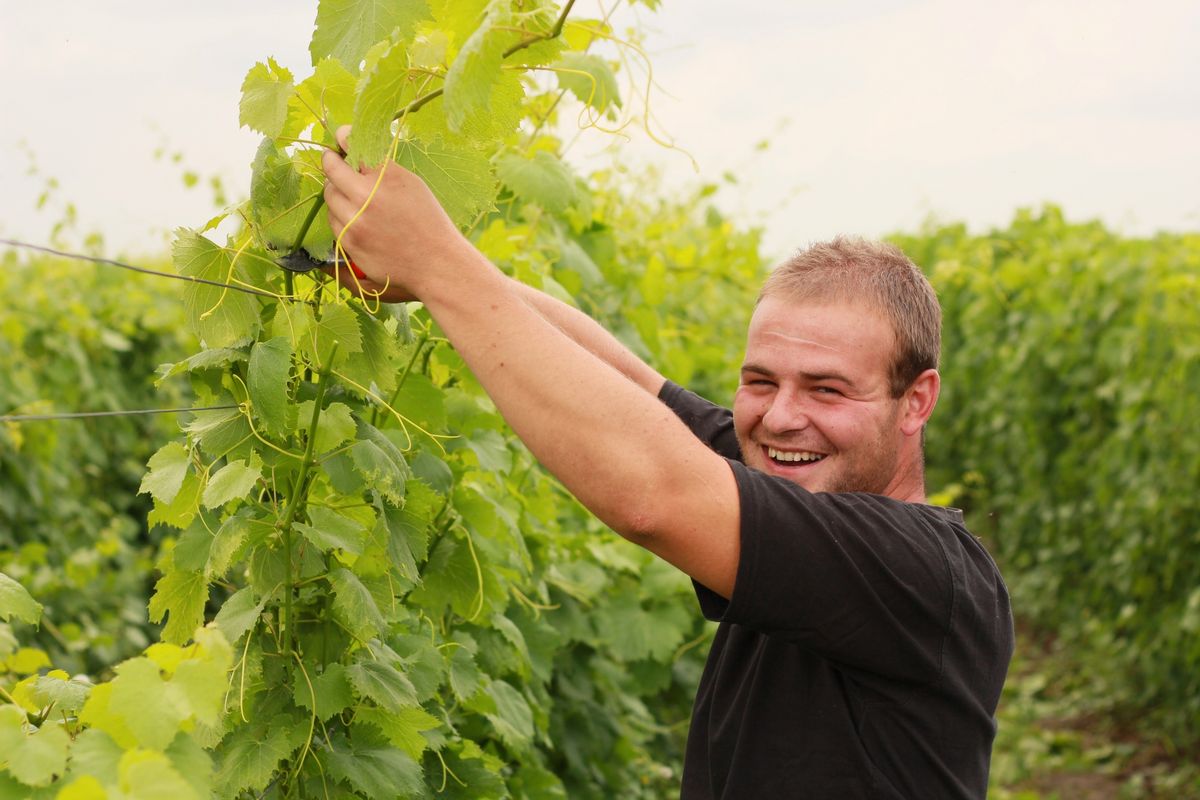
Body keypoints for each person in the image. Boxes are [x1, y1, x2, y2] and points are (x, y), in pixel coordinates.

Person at [321, 127, 1014, 799]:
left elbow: (653, 496)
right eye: (761, 381)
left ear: (916, 401)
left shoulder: (924, 572)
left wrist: (438, 264)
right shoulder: (788, 476)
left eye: (827, 389)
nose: (778, 417)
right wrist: (438, 277)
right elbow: (633, 385)